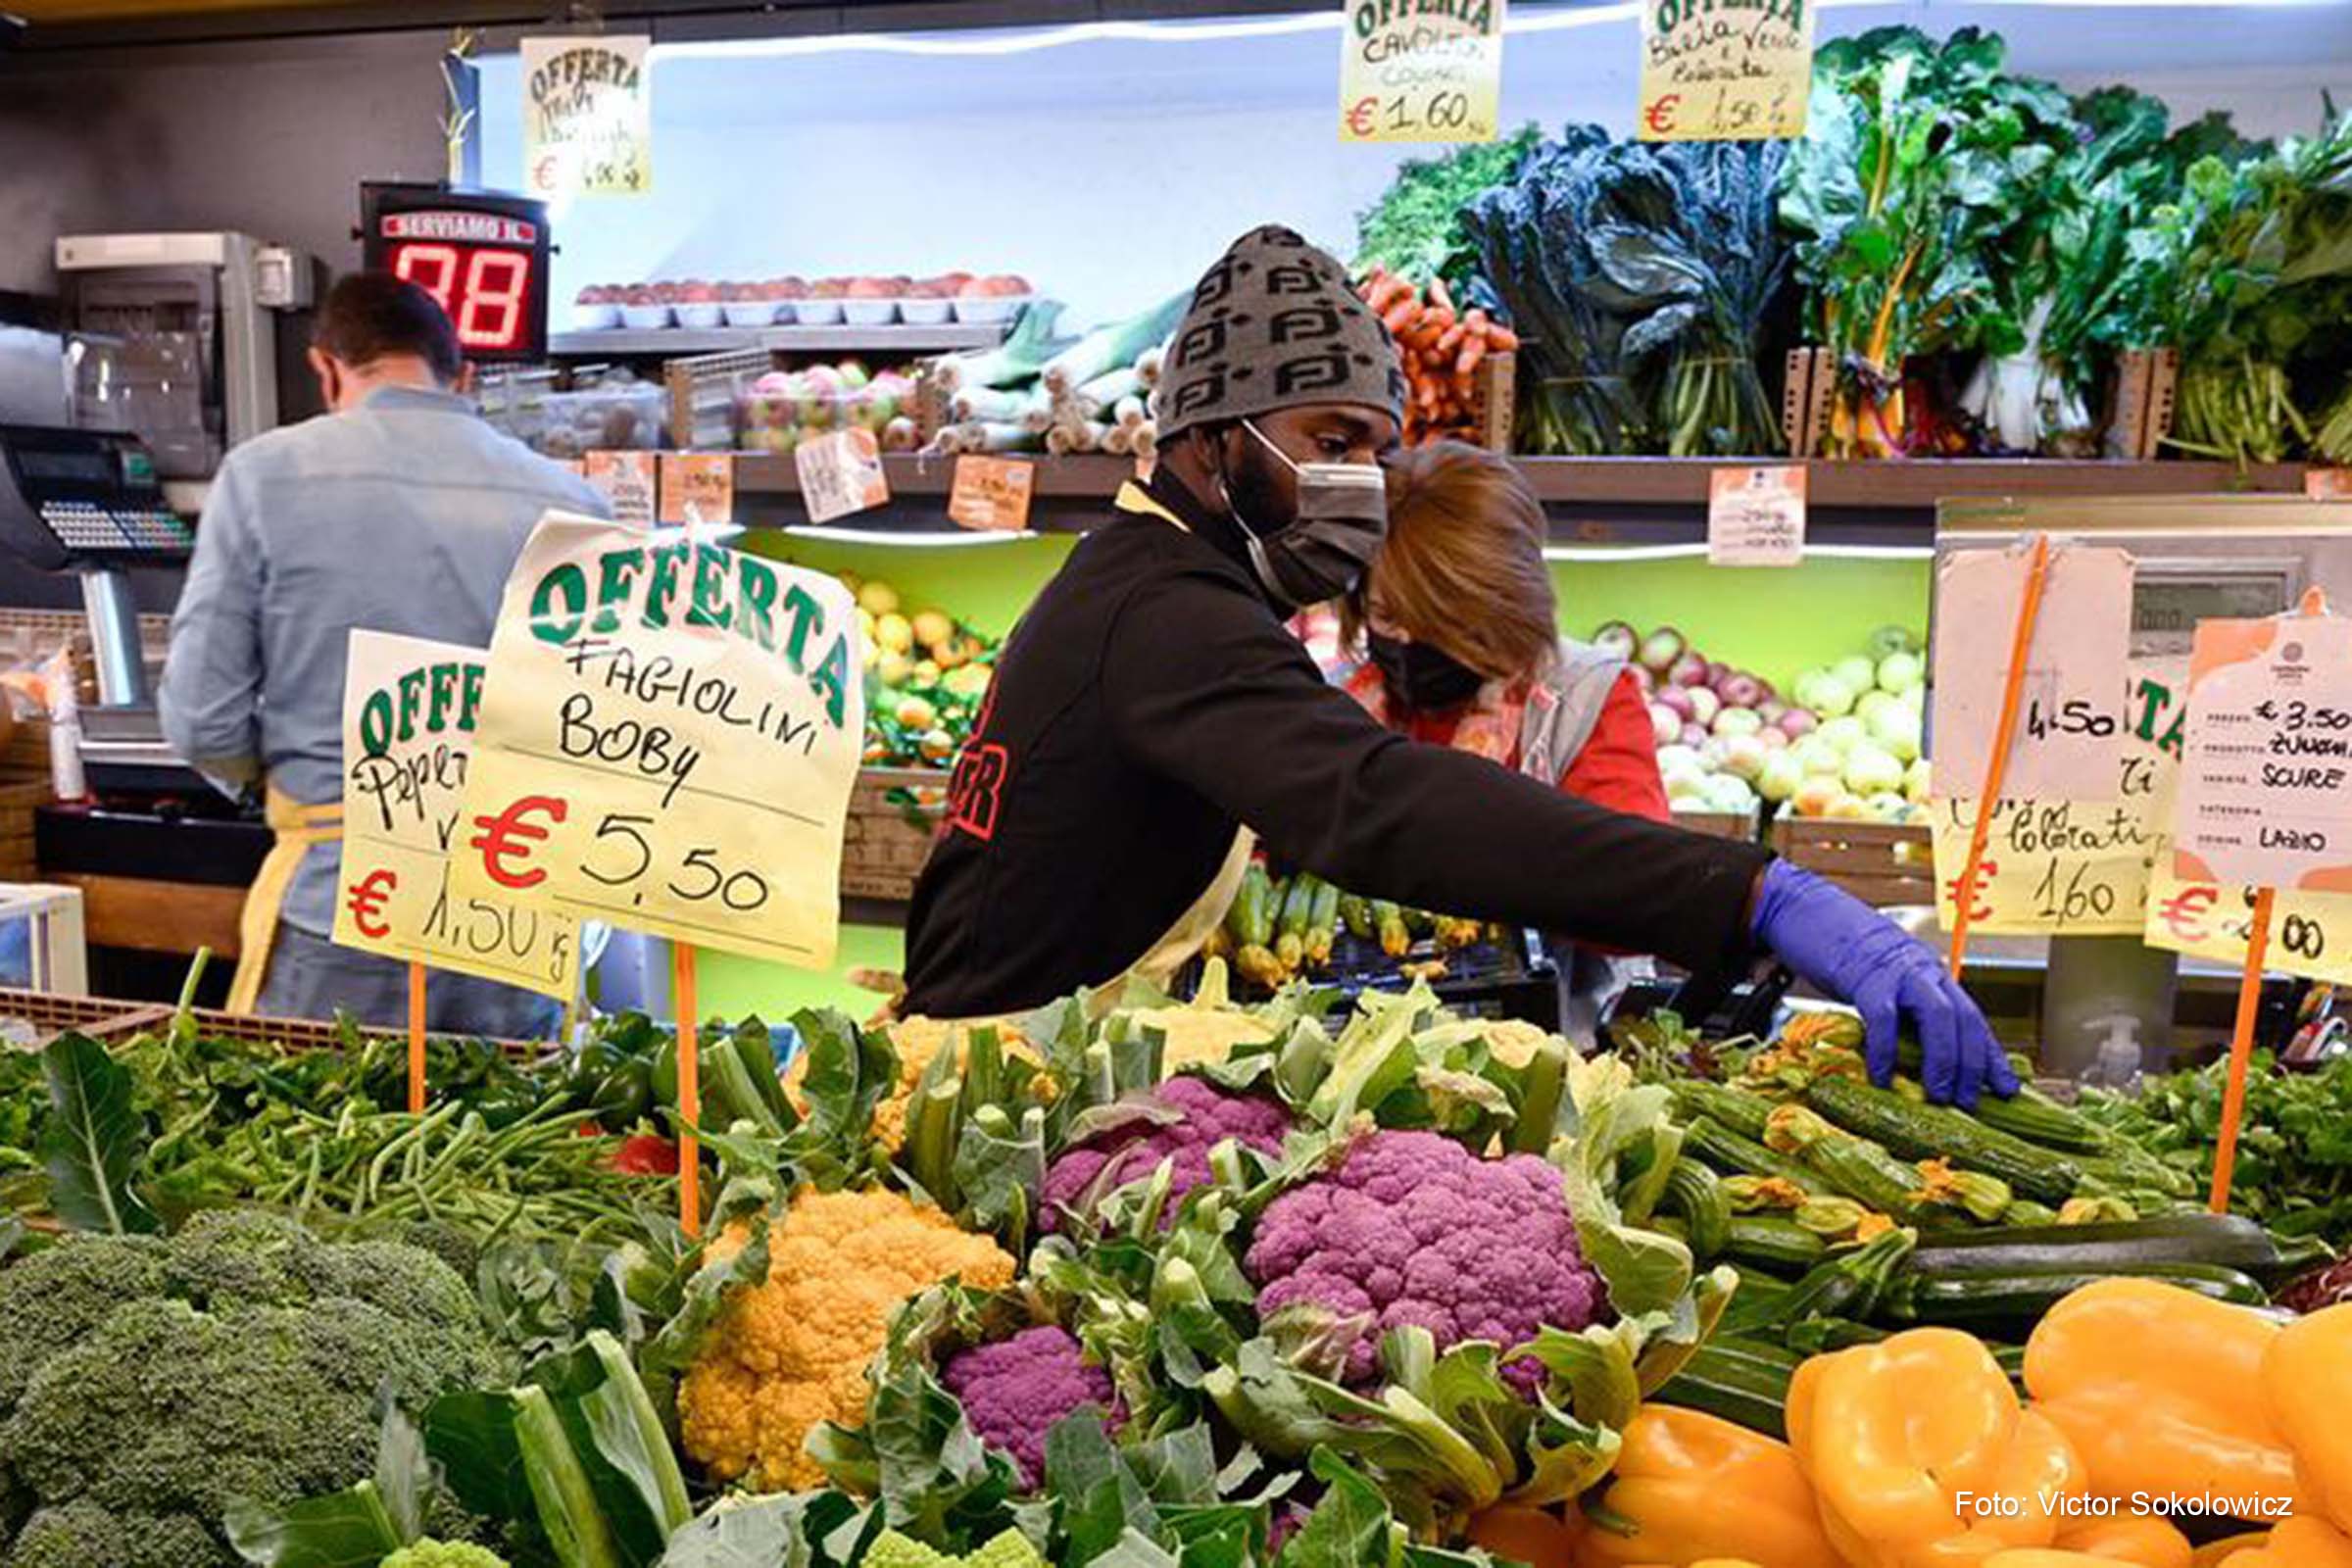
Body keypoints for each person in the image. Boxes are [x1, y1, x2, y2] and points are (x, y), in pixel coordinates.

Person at [901, 224, 2013, 1106]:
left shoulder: (1148, 581)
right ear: (1211, 438)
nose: (1361, 487)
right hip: (980, 1093)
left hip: (1015, 1073)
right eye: (1331, 445)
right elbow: (1378, 803)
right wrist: (1755, 893)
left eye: (1376, 452)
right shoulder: (1166, 611)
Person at [159, 273, 606, 1037]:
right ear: (462, 377)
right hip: (516, 899)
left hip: (342, 894)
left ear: (325, 368)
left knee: (324, 1141)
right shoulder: (573, 498)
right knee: (512, 1143)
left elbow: (204, 721)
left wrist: (289, 785)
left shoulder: (265, 476)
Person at [1338, 440, 1666, 1038]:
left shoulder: (1583, 696)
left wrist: (1491, 864)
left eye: (1438, 622)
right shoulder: (1336, 703)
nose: (1408, 639)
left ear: (1502, 608)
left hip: (1539, 1041)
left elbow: (1637, 902)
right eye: (1387, 614)